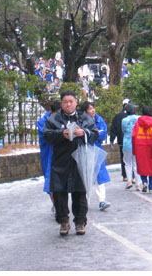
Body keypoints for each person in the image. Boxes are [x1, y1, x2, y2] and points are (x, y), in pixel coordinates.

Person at [44, 90, 99, 236]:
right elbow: (47, 136)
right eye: (65, 102)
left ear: (76, 102)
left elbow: (95, 134)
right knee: (59, 192)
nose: (68, 104)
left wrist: (84, 133)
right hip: (60, 161)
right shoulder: (53, 119)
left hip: (80, 160)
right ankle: (63, 221)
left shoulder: (85, 118)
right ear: (61, 104)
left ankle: (80, 222)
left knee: (80, 192)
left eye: (71, 101)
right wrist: (61, 134)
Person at [80, 101, 111, 211]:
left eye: (93, 108)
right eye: (90, 109)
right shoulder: (81, 121)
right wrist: (92, 134)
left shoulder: (99, 119)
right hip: (85, 150)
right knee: (85, 176)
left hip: (97, 149)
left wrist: (89, 134)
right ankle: (84, 201)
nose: (93, 110)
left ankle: (102, 200)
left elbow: (102, 133)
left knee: (100, 175)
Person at [36, 100, 61, 217]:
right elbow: (47, 136)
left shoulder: (63, 119)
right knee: (50, 183)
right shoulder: (43, 123)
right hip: (49, 156)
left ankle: (59, 206)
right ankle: (56, 206)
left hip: (61, 155)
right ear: (51, 112)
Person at [132, 106, 152, 193]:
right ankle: (151, 187)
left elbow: (133, 136)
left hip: (140, 147)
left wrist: (134, 149)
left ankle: (144, 182)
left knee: (142, 166)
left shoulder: (138, 122)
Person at [121, 104, 142, 190]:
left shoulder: (124, 120)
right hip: (137, 142)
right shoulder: (139, 118)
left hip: (127, 143)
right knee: (136, 163)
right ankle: (138, 183)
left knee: (127, 163)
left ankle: (129, 181)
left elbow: (123, 130)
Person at [109, 99, 130, 181]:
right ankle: (132, 176)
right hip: (131, 141)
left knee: (123, 158)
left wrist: (111, 141)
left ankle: (125, 175)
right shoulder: (133, 116)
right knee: (132, 159)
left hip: (122, 141)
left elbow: (113, 129)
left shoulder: (117, 116)